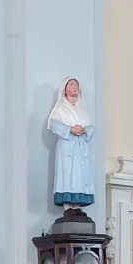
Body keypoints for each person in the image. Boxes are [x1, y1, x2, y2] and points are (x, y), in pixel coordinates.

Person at [48, 77, 94, 209]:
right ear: (65, 89)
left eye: (77, 85)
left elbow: (91, 127)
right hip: (67, 148)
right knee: (67, 176)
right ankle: (68, 207)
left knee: (80, 177)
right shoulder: (61, 109)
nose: (75, 87)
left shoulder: (83, 111)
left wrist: (84, 130)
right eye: (72, 84)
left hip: (81, 149)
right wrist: (70, 129)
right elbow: (54, 125)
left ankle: (77, 207)